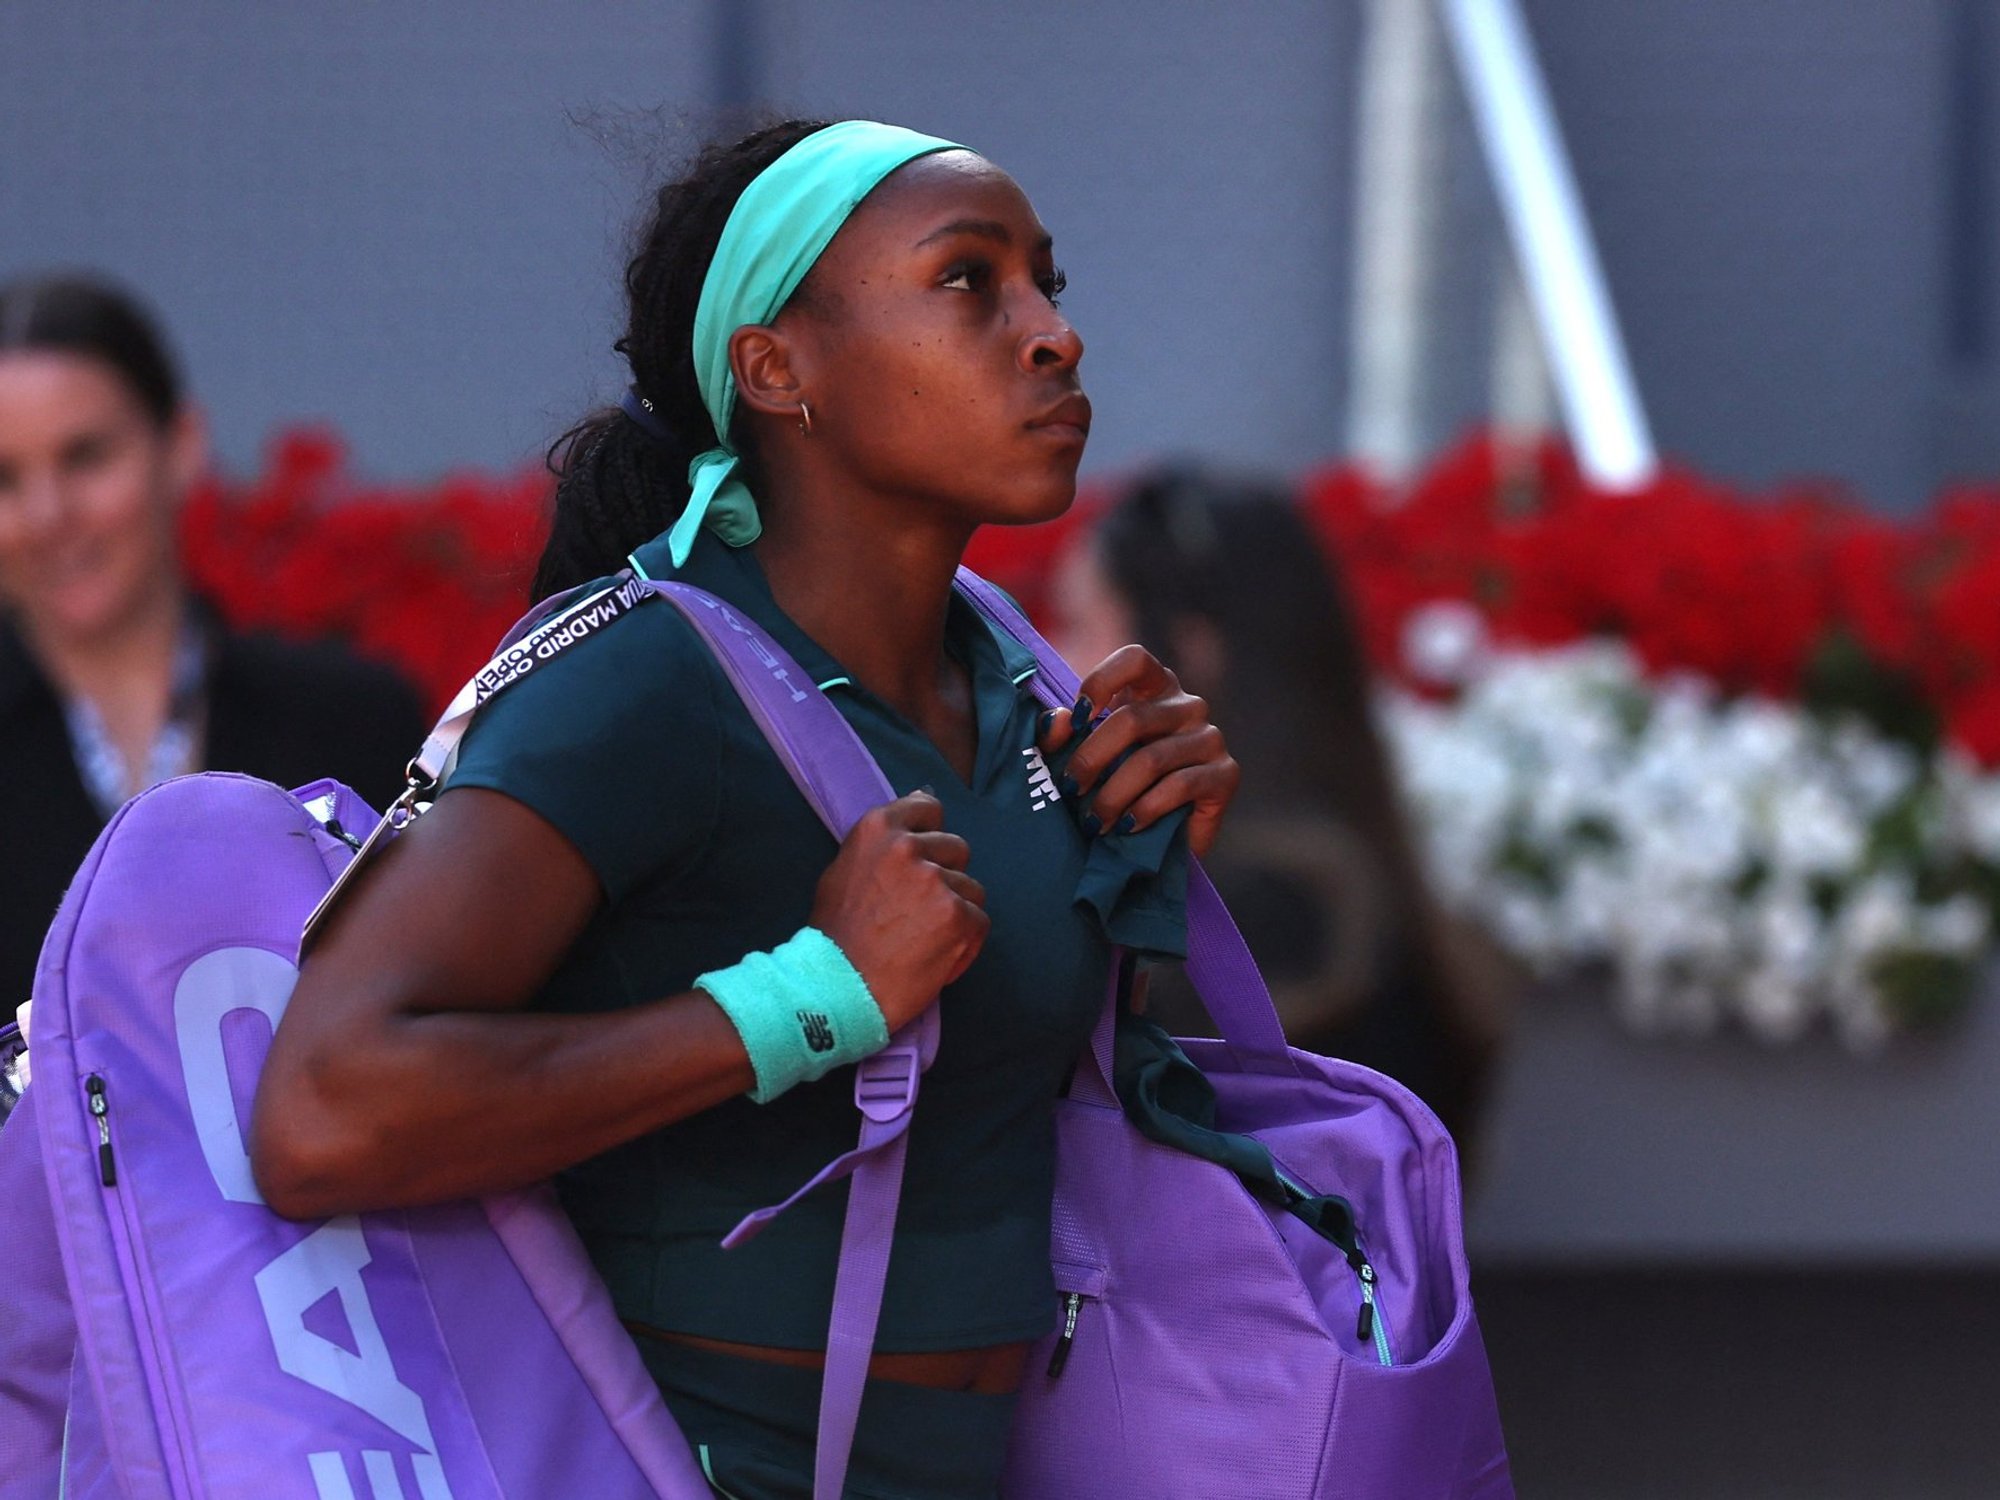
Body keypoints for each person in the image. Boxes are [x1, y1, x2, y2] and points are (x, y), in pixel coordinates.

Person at [248, 119, 1239, 1498]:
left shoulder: (1017, 679)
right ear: (776, 369)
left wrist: (1145, 849)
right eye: (969, 280)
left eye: (1046, 285)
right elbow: (323, 1112)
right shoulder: (643, 682)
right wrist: (808, 997)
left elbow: (1014, 1112)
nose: (1052, 335)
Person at [0, 273, 427, 1013]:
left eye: (85, 457)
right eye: (4, 478)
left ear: (182, 445)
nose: (48, 515)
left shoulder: (355, 719)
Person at [1048, 468, 1505, 1151]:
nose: (1047, 659)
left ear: (1186, 655)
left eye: (1078, 624)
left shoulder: (1258, 919)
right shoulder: (1360, 892)